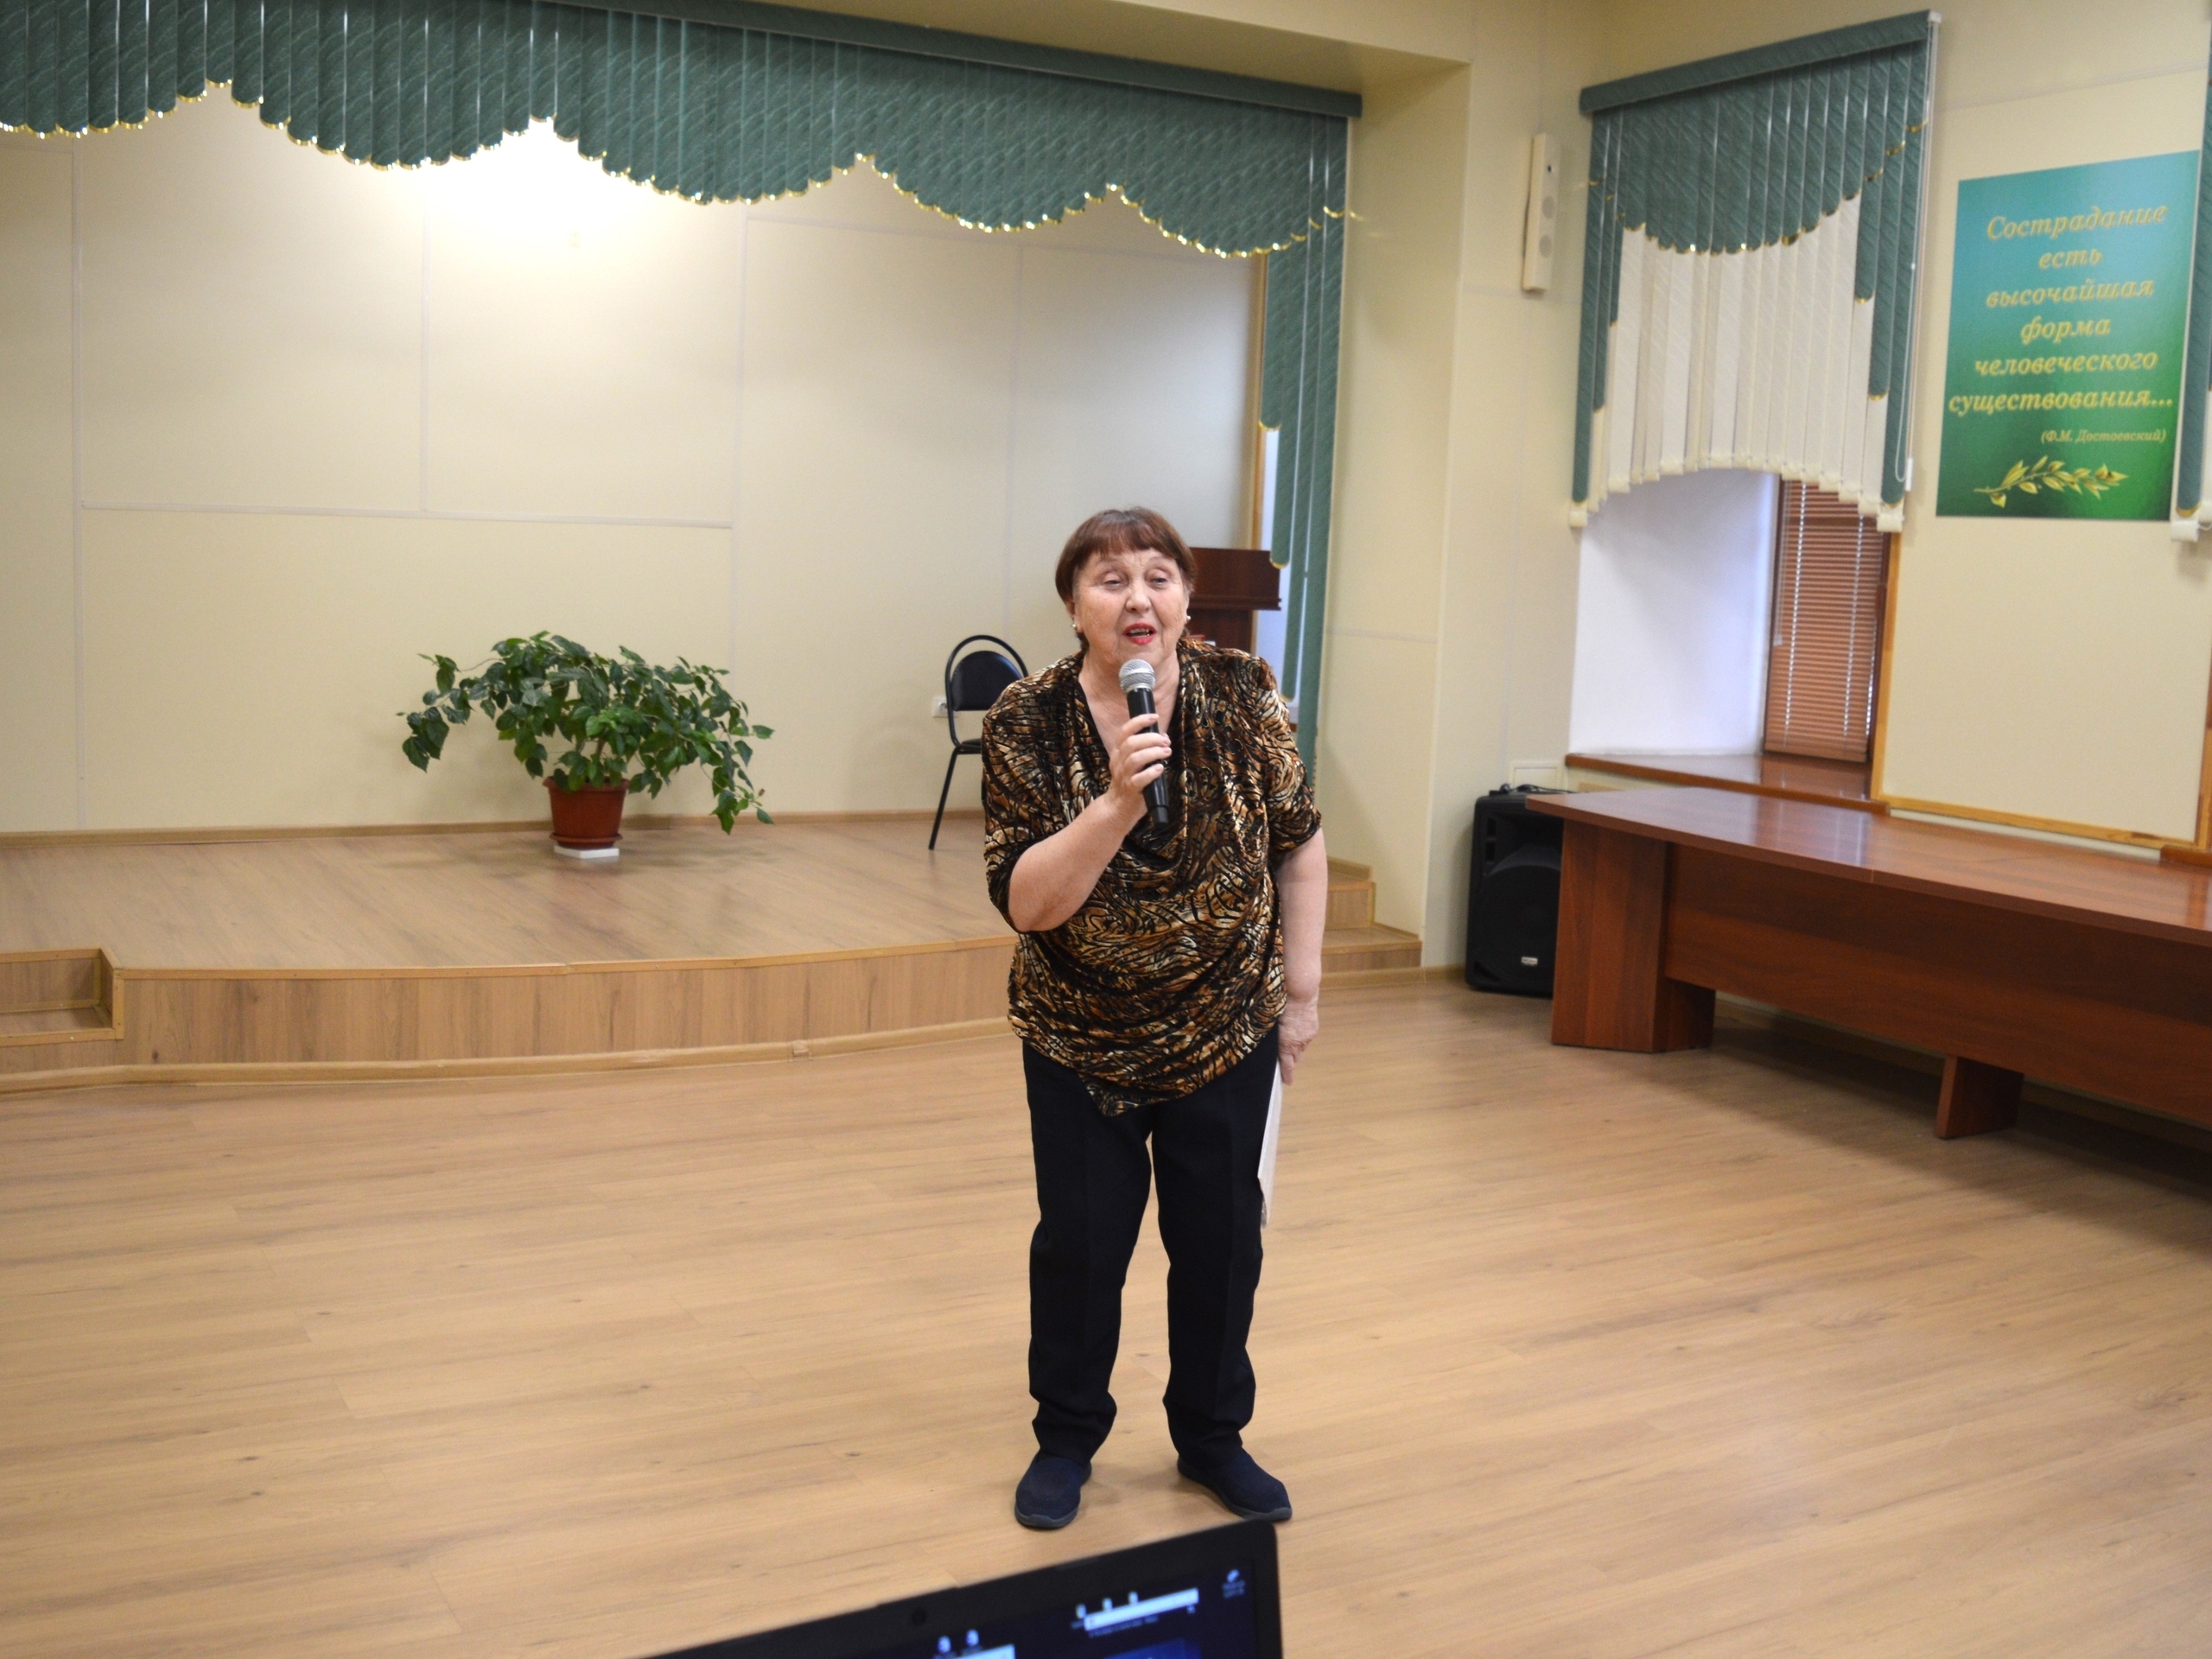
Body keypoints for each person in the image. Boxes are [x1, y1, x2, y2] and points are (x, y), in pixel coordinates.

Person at [980, 506, 1329, 1530]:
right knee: (1083, 1247)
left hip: (1225, 1021)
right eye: (1110, 580)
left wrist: (1300, 997)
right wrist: (1116, 804)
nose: (1138, 598)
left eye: (1158, 577)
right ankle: (1066, 1439)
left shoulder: (1242, 690)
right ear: (1072, 605)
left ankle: (1212, 1437)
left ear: (1185, 597)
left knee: (1221, 1242)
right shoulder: (1026, 719)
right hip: (1080, 1033)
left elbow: (1298, 841)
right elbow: (1027, 903)